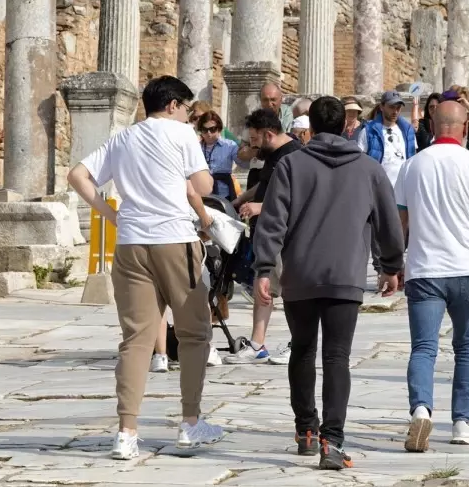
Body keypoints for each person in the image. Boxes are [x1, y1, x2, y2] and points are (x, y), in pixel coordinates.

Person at [66, 76, 223, 460]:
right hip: (174, 240)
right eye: (187, 109)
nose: (190, 117)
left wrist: (108, 214)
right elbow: (203, 186)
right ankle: (189, 423)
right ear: (172, 105)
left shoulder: (124, 137)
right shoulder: (181, 134)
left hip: (131, 244)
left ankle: (126, 432)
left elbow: (78, 175)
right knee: (194, 334)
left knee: (135, 339)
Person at [252, 96, 405, 470]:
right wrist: (390, 266)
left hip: (301, 274)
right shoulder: (369, 169)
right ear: (346, 127)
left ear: (313, 128)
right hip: (345, 276)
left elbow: (272, 222)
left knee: (302, 350)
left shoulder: (290, 165)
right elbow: (388, 223)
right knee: (337, 357)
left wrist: (264, 268)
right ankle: (331, 441)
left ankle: (305, 428)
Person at [395, 101, 469, 452]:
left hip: (424, 269)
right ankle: (461, 423)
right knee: (466, 347)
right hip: (466, 268)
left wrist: (393, 263)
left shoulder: (411, 166)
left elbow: (401, 223)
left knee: (424, 348)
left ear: (432, 124)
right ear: (465, 126)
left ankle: (422, 409)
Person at [230, 109, 300, 366]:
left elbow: (293, 196)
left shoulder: (294, 155)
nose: (252, 147)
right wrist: (242, 198)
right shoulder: (272, 155)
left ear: (269, 134)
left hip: (286, 235)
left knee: (292, 291)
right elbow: (267, 185)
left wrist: (261, 207)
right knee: (264, 288)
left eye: (255, 141)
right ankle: (257, 344)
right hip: (267, 233)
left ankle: (298, 343)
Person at [356, 90, 416, 187]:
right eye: (391, 107)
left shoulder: (408, 131)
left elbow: (412, 159)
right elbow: (360, 162)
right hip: (378, 188)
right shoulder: (368, 131)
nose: (395, 111)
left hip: (403, 189)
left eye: (398, 108)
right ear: (382, 107)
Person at [196, 111, 238, 201]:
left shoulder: (230, 145)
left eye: (212, 129)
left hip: (224, 194)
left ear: (219, 129)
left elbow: (244, 163)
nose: (209, 133)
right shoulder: (196, 147)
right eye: (205, 130)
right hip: (202, 195)